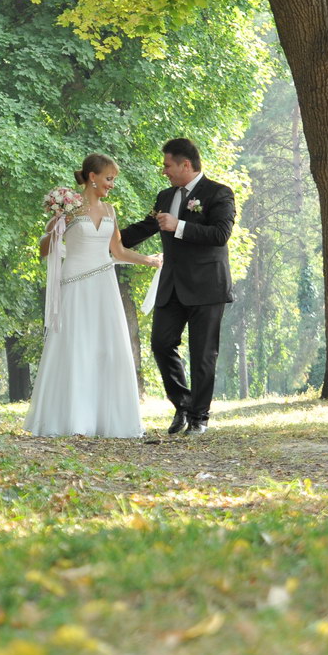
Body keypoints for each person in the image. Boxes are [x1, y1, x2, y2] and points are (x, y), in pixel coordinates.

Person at [24, 154, 162, 438]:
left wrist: (148, 260)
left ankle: (109, 421)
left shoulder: (110, 210)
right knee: (76, 346)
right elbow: (43, 249)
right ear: (92, 177)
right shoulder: (70, 209)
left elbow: (118, 251)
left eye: (113, 179)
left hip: (104, 284)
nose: (112, 184)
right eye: (109, 178)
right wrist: (58, 225)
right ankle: (73, 420)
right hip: (75, 284)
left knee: (107, 347)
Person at [121, 139, 236, 435]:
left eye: (167, 165)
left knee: (203, 353)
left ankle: (199, 417)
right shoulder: (165, 196)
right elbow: (145, 228)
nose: (164, 171)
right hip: (172, 285)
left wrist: (179, 226)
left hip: (207, 287)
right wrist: (100, 234)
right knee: (161, 344)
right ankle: (183, 404)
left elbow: (220, 234)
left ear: (186, 164)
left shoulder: (219, 193)